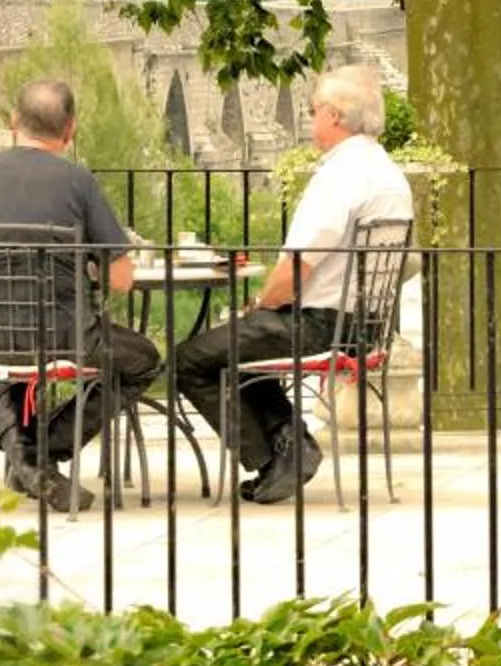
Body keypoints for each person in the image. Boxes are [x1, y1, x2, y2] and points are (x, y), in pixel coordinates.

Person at [173, 62, 413, 504]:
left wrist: (261, 304)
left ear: (336, 116)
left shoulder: (340, 176)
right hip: (366, 325)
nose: (309, 117)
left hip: (322, 324)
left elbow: (295, 268)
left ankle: (280, 454)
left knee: (189, 360)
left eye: (315, 109)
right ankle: (288, 445)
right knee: (235, 348)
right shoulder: (387, 173)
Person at [0, 77, 161, 509]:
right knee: (144, 360)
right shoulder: (78, 183)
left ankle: (25, 452)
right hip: (63, 335)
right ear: (70, 129)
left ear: (14, 122)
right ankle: (43, 449)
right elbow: (122, 279)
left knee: (8, 360)